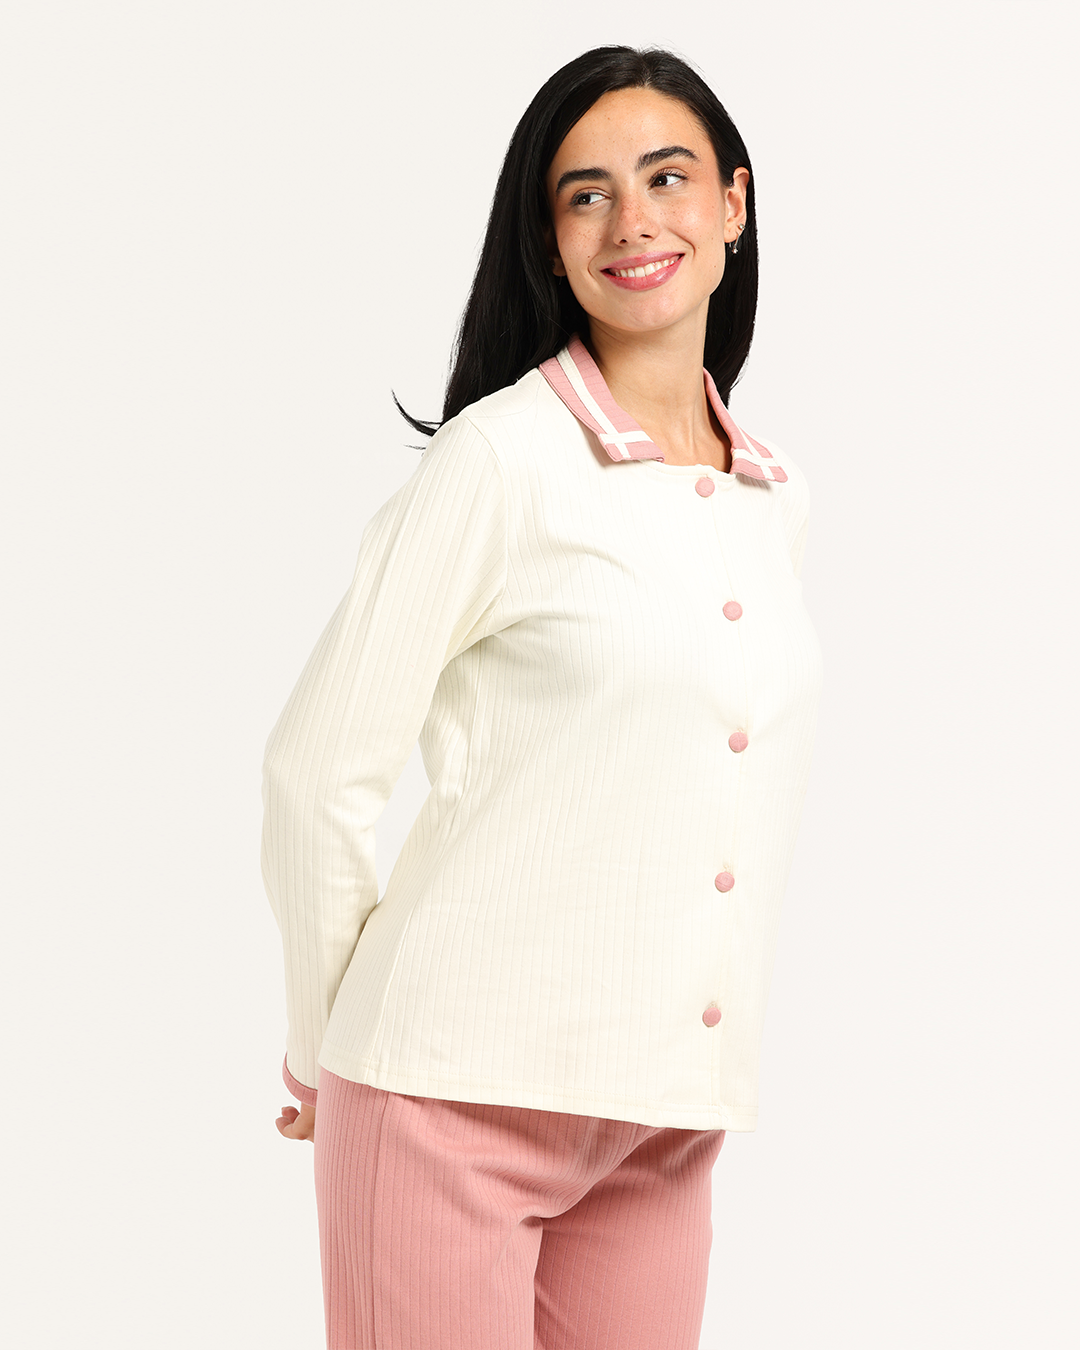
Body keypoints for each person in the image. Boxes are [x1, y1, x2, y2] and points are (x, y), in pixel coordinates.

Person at [263, 43, 823, 1350]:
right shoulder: (500, 461)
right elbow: (316, 767)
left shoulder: (774, 496)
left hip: (660, 1121)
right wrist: (321, 1041)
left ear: (733, 204)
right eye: (586, 194)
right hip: (444, 1098)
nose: (632, 220)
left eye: (667, 177)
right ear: (551, 243)